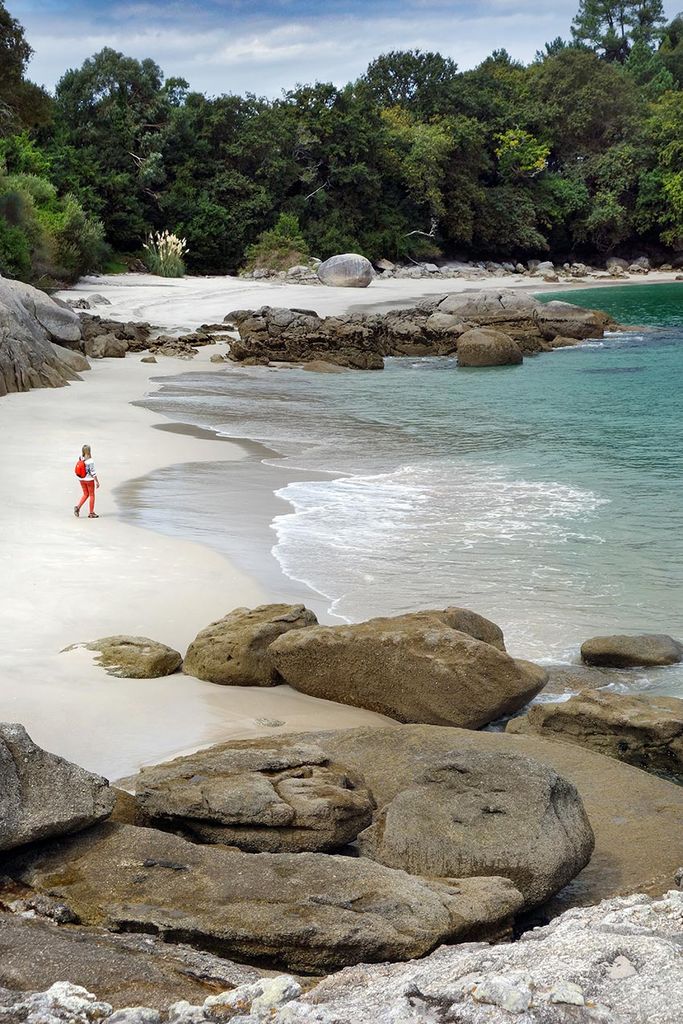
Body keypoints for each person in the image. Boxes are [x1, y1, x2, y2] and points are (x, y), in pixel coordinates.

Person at [74, 444, 100, 519]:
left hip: (81, 479)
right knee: (92, 495)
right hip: (89, 480)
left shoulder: (80, 457)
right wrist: (97, 481)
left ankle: (78, 507)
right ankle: (91, 513)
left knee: (85, 494)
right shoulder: (90, 460)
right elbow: (93, 472)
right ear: (89, 451)